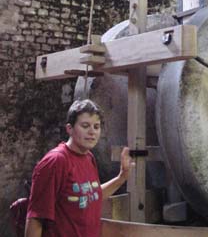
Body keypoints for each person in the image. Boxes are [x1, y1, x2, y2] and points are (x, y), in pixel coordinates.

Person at [25, 99, 134, 237]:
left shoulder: (89, 157)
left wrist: (122, 177)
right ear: (69, 129)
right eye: (85, 125)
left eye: (96, 126)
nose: (92, 132)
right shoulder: (55, 162)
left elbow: (91, 195)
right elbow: (35, 218)